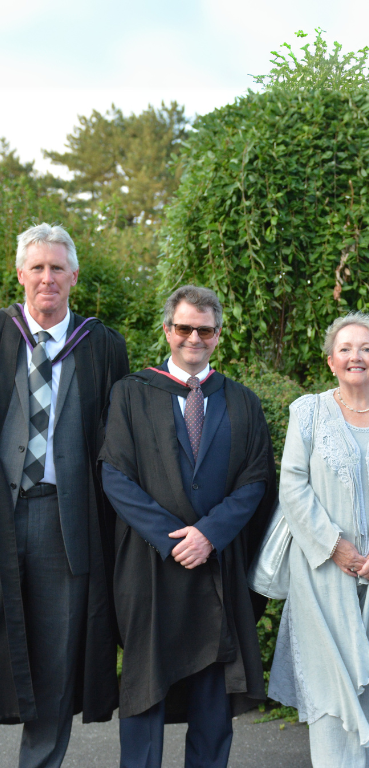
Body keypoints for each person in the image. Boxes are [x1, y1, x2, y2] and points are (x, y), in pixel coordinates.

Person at [99, 285, 276, 768]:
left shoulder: (242, 401)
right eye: (184, 328)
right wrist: (173, 538)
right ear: (167, 330)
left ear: (218, 335)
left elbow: (257, 479)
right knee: (145, 689)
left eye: (205, 330)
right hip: (150, 564)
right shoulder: (132, 393)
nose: (193, 338)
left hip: (216, 565)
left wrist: (209, 534)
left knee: (213, 696)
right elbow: (115, 474)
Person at [266, 311, 369, 768]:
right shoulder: (307, 411)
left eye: (366, 348)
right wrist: (334, 546)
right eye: (345, 348)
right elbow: (292, 484)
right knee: (328, 684)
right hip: (322, 570)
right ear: (330, 361)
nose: (355, 356)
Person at [0, 223, 129, 768]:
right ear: (20, 274)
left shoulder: (103, 345)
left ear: (74, 276)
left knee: (55, 657)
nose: (47, 277)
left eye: (57, 268)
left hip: (64, 520)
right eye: (37, 267)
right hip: (3, 515)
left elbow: (118, 442)